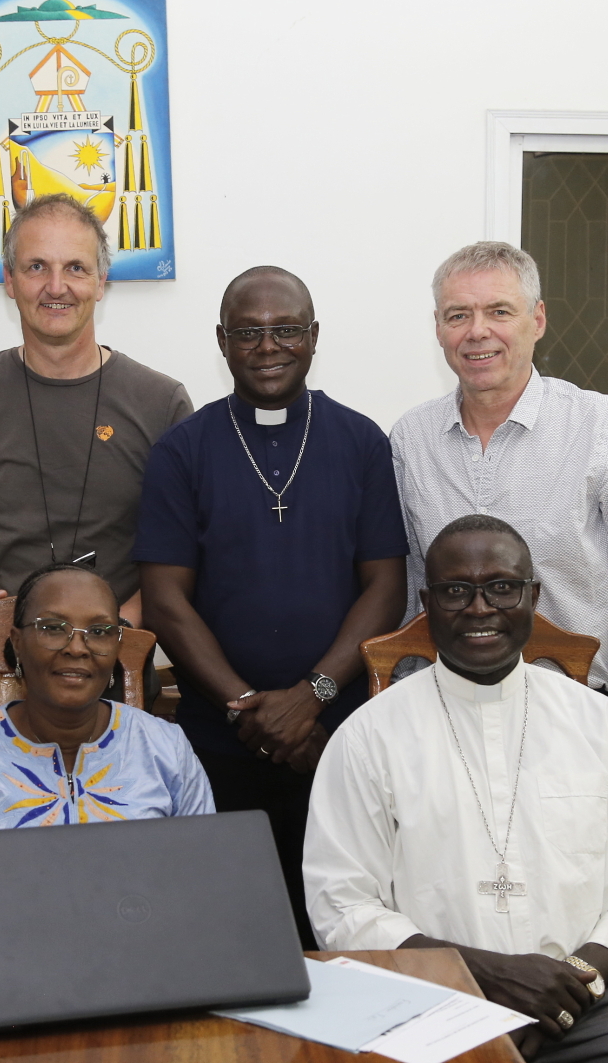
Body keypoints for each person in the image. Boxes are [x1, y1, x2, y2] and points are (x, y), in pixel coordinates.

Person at [305, 515, 608, 1062]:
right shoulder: (367, 738)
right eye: (456, 591)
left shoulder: (602, 726)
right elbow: (341, 907)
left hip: (587, 1004)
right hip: (424, 1004)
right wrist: (490, 977)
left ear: (533, 597)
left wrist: (567, 985)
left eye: (502, 588)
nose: (480, 608)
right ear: (427, 601)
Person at [135, 266, 409, 950]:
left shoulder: (362, 442)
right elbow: (166, 600)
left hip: (340, 734)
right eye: (249, 332)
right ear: (222, 342)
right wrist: (248, 704)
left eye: (286, 329)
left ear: (313, 338)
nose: (268, 346)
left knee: (344, 926)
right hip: (218, 738)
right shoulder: (182, 451)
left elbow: (386, 586)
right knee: (230, 932)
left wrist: (311, 697)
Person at [391, 241, 608, 747]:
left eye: (499, 311)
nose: (477, 331)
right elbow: (414, 586)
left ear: (538, 319)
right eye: (458, 314)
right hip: (444, 723)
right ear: (438, 328)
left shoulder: (604, 427)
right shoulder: (410, 439)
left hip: (578, 718)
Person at [0, 193, 192, 724]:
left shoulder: (162, 403)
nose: (56, 287)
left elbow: (178, 560)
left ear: (101, 281)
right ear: (8, 279)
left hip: (119, 683)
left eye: (75, 267)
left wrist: (108, 634)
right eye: (36, 267)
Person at [0, 563, 213, 958]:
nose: (77, 647)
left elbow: (204, 900)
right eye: (53, 627)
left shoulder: (166, 748)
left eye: (100, 631)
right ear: (17, 642)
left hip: (144, 980)